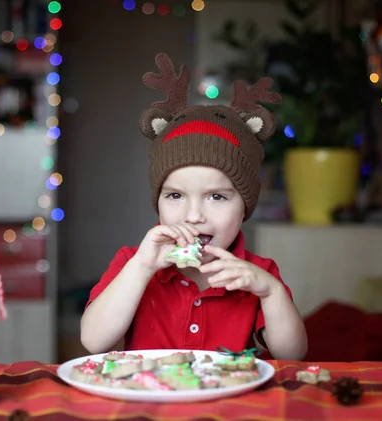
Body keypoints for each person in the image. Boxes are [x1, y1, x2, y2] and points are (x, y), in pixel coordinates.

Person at [80, 53, 307, 360]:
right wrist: (142, 268)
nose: (194, 216)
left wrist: (271, 292)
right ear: (157, 201)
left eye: (217, 197)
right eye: (175, 196)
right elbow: (94, 342)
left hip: (230, 403)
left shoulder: (259, 274)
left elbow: (292, 356)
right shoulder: (132, 263)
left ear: (245, 208)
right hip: (150, 400)